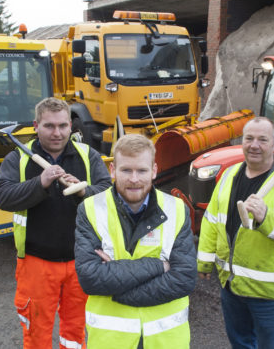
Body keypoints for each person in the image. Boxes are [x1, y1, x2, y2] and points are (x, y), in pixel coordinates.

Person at [0, 97, 112, 349]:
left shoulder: (87, 155)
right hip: (36, 263)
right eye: (49, 126)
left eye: (62, 126)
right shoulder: (19, 159)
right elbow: (3, 197)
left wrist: (82, 191)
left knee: (75, 332)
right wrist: (41, 182)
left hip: (82, 260)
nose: (57, 133)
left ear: (71, 125)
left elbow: (107, 194)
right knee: (36, 333)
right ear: (36, 126)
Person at [197, 117, 274, 349]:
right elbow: (212, 221)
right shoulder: (229, 175)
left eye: (263, 140)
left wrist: (266, 218)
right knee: (240, 343)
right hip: (231, 285)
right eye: (249, 138)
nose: (254, 145)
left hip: (269, 291)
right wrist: (204, 261)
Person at [74, 134, 197, 349]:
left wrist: (116, 284)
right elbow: (91, 278)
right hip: (111, 341)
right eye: (126, 170)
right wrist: (159, 265)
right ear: (112, 170)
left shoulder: (177, 210)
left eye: (141, 170)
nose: (134, 179)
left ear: (154, 171)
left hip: (166, 341)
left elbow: (184, 279)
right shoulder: (90, 209)